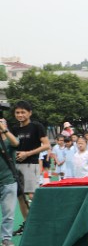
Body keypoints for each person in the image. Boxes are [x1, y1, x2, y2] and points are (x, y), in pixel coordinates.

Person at [9, 100, 50, 235]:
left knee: (32, 194)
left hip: (31, 163)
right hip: (15, 165)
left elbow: (46, 145)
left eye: (23, 112)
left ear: (29, 113)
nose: (20, 115)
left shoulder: (36, 126)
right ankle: (28, 224)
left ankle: (42, 221)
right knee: (20, 196)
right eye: (17, 112)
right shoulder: (14, 129)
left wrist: (27, 153)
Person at [0, 116, 20, 246]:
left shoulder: (9, 141)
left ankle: (6, 239)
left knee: (8, 212)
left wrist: (4, 130)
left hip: (8, 181)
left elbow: (16, 143)